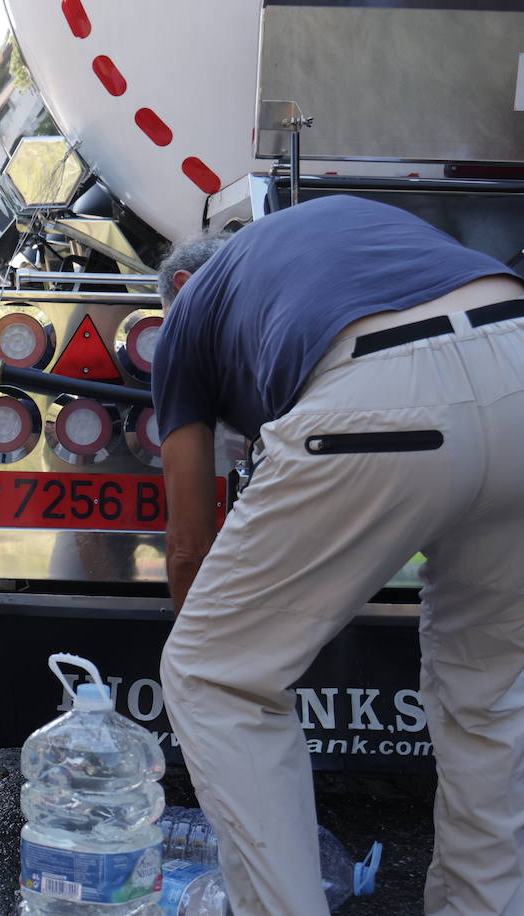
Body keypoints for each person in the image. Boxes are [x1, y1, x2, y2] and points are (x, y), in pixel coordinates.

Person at [151, 194, 524, 915]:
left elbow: (190, 543)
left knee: (213, 675)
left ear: (183, 289)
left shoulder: (188, 318)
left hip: (383, 396)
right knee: (491, 689)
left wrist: (233, 635)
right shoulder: (330, 227)